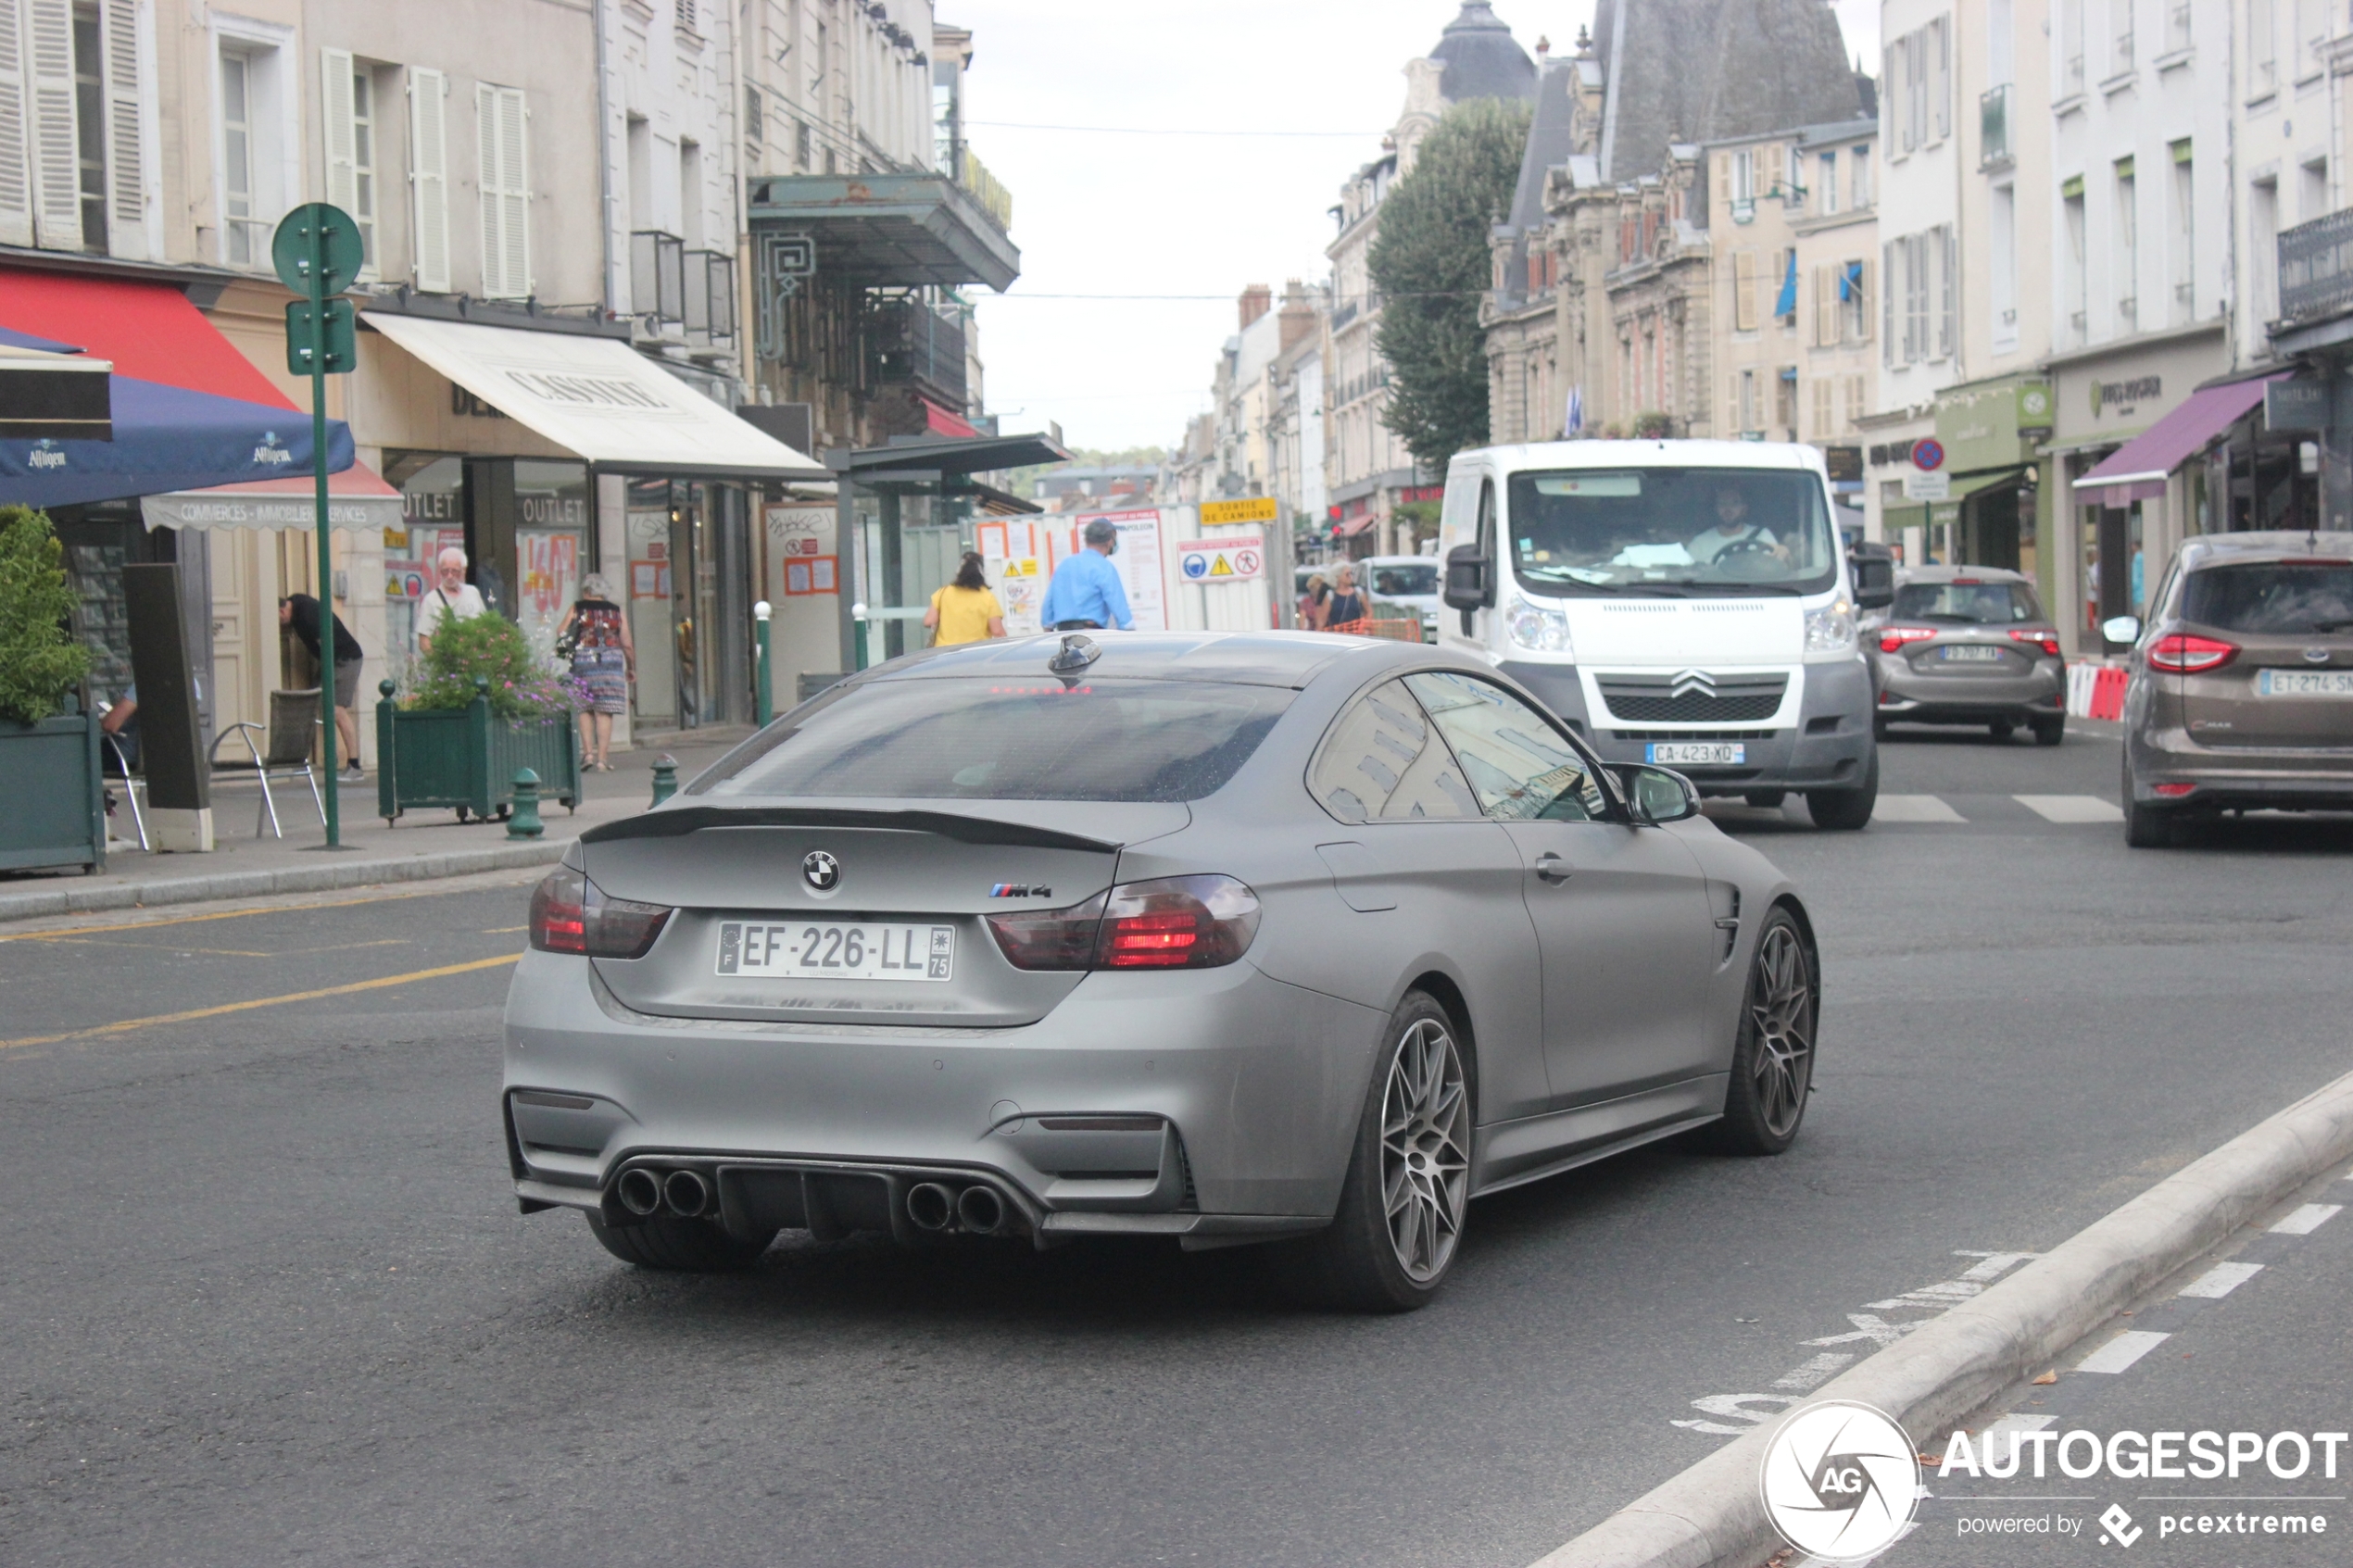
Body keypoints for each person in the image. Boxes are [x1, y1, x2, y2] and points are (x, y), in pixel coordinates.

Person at [555, 573, 634, 771]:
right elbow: (627, 644)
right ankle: (602, 760)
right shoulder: (616, 612)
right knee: (604, 711)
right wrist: (631, 667)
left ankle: (588, 754)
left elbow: (561, 631)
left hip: (583, 661)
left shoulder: (578, 607)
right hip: (610, 663)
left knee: (585, 707)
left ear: (587, 591)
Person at [280, 593, 365, 774]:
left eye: (279, 621)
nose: (281, 625)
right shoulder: (296, 603)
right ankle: (305, 759)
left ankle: (354, 764)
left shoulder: (307, 615)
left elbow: (327, 645)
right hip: (333, 660)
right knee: (309, 704)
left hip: (345, 659)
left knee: (336, 710)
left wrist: (327, 680)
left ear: (282, 611)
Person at [1038, 518, 1134, 631]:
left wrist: (1048, 628)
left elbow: (1048, 604)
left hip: (1063, 634)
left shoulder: (1064, 565)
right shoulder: (1104, 567)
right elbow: (1118, 605)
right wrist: (1129, 628)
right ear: (1110, 541)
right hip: (1090, 634)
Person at [924, 552, 1007, 646]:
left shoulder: (943, 593)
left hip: (944, 653)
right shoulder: (987, 597)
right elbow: (997, 631)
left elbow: (929, 621)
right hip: (974, 654)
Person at [416, 547, 487, 654]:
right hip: (450, 662)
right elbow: (424, 641)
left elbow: (486, 624)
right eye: (445, 571)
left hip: (475, 661)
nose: (449, 576)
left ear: (463, 570)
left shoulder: (472, 592)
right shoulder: (431, 600)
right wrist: (441, 662)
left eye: (454, 571)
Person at [1687, 485, 1782, 564]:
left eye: (1734, 503)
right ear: (1716, 508)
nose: (1728, 509)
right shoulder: (1700, 543)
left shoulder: (1763, 535)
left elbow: (1776, 568)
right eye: (1722, 503)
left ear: (1744, 509)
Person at [1323, 564, 1367, 628]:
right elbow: (1322, 620)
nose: (1350, 576)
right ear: (1338, 577)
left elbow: (1369, 611)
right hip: (1337, 635)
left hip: (1356, 634)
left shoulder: (1358, 592)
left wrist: (1364, 627)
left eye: (1351, 574)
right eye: (1347, 574)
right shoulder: (1330, 596)